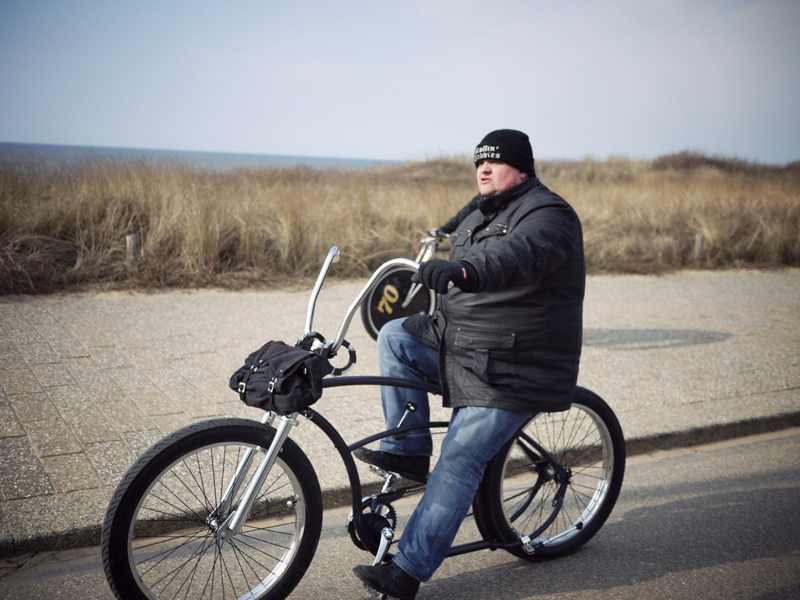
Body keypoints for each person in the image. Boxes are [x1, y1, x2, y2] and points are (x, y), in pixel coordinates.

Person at [353, 129, 586, 600]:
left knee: (459, 456)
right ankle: (409, 450)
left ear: (521, 167)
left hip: (518, 362)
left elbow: (516, 256)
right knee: (398, 334)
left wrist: (464, 270)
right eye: (478, 162)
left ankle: (407, 571)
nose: (483, 168)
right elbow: (466, 228)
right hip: (467, 344)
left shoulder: (550, 215)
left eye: (494, 162)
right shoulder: (482, 210)